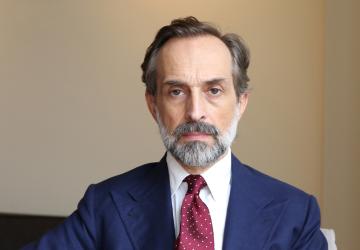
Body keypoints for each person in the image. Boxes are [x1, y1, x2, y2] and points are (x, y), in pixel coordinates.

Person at [23, 16, 327, 250]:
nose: (195, 112)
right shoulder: (104, 205)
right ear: (153, 104)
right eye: (177, 91)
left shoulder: (295, 213)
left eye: (214, 90)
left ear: (241, 103)